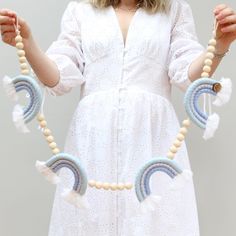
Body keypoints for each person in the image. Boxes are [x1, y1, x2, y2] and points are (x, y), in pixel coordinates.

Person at [0, 0, 236, 235]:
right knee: (90, 220)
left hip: (152, 138)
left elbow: (188, 76)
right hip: (94, 138)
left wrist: (218, 46)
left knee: (154, 222)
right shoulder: (81, 10)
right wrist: (27, 43)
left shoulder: (174, 10)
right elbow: (58, 78)